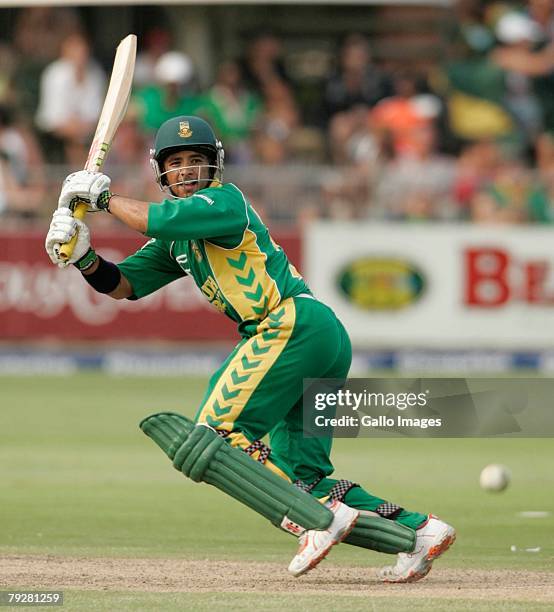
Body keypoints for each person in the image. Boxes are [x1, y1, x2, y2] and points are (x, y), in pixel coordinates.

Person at [44, 115, 455, 582]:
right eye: (175, 162)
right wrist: (83, 258)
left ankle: (317, 519)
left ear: (214, 166)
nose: (185, 170)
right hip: (318, 334)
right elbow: (126, 286)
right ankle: (419, 529)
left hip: (289, 324)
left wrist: (101, 198)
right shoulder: (179, 237)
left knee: (213, 436)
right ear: (161, 171)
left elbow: (155, 219)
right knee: (304, 475)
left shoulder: (224, 200)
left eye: (195, 161)